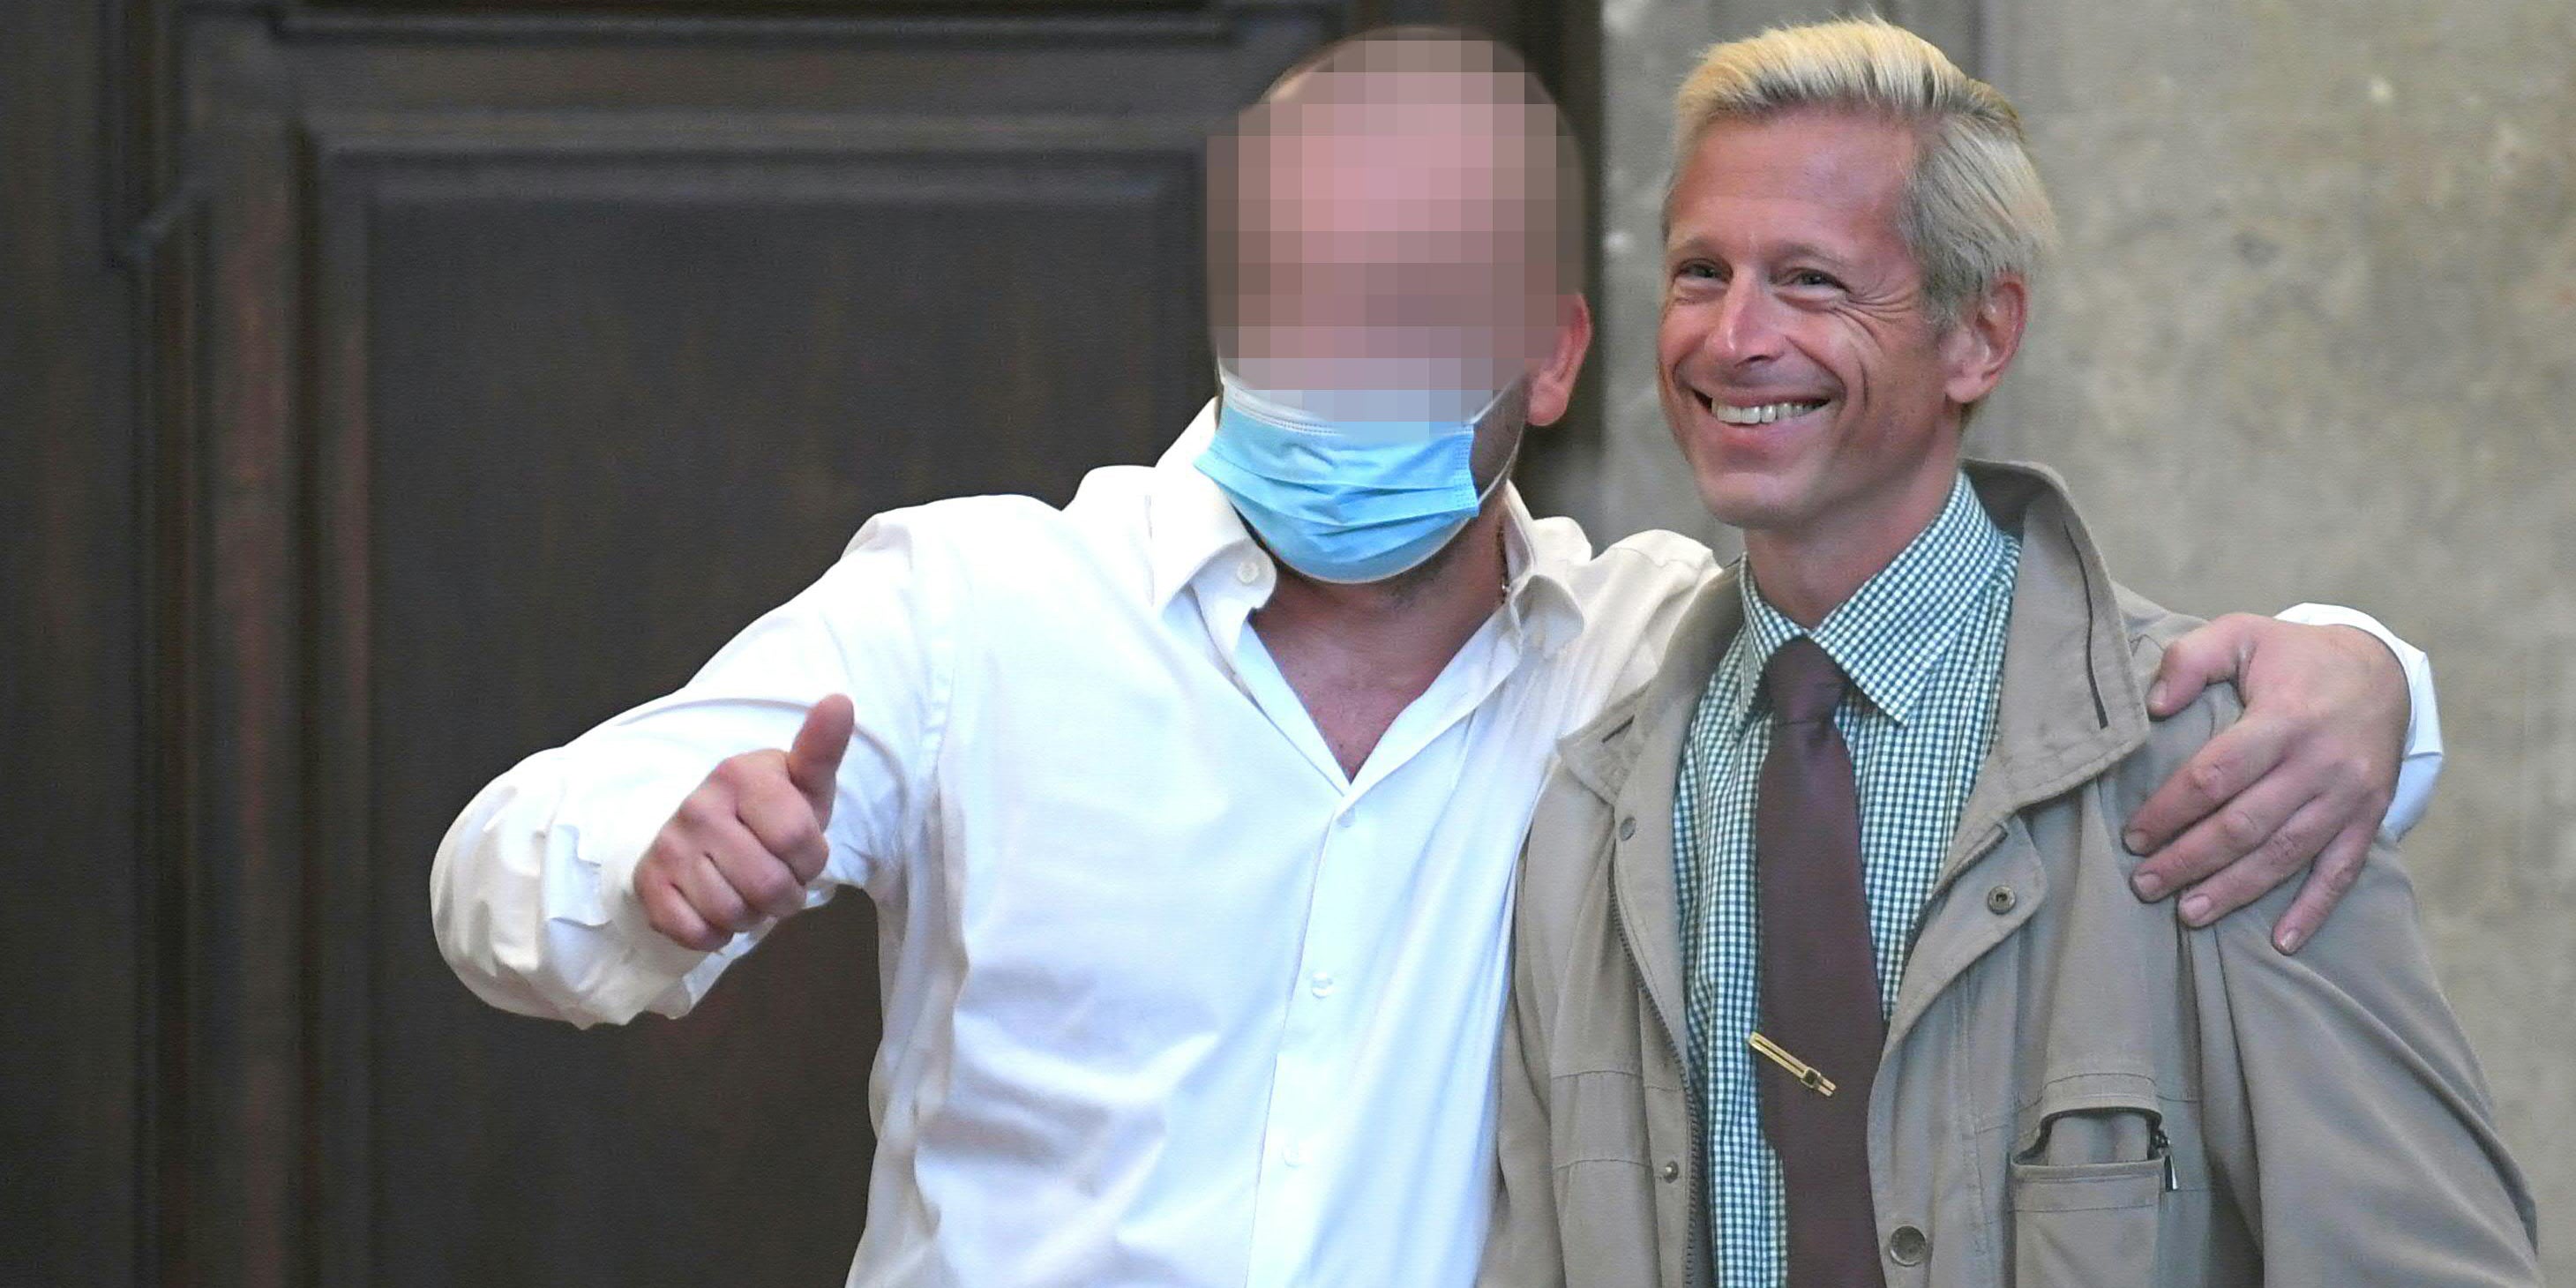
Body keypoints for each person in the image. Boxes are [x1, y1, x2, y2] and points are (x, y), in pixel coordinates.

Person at [432, 28, 2445, 1288]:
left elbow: (2001, 669)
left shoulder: (1649, 652)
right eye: (1295, 297)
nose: (1339, 358)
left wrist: (2369, 675)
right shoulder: (977, 607)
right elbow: (505, 870)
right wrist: (644, 863)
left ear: (1551, 355)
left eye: (1411, 305)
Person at [1479, 19, 2537, 1288]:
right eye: (1701, 272)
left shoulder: (2228, 772)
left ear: (1981, 336)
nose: (1733, 337)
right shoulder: (1592, 817)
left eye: (1812, 281)